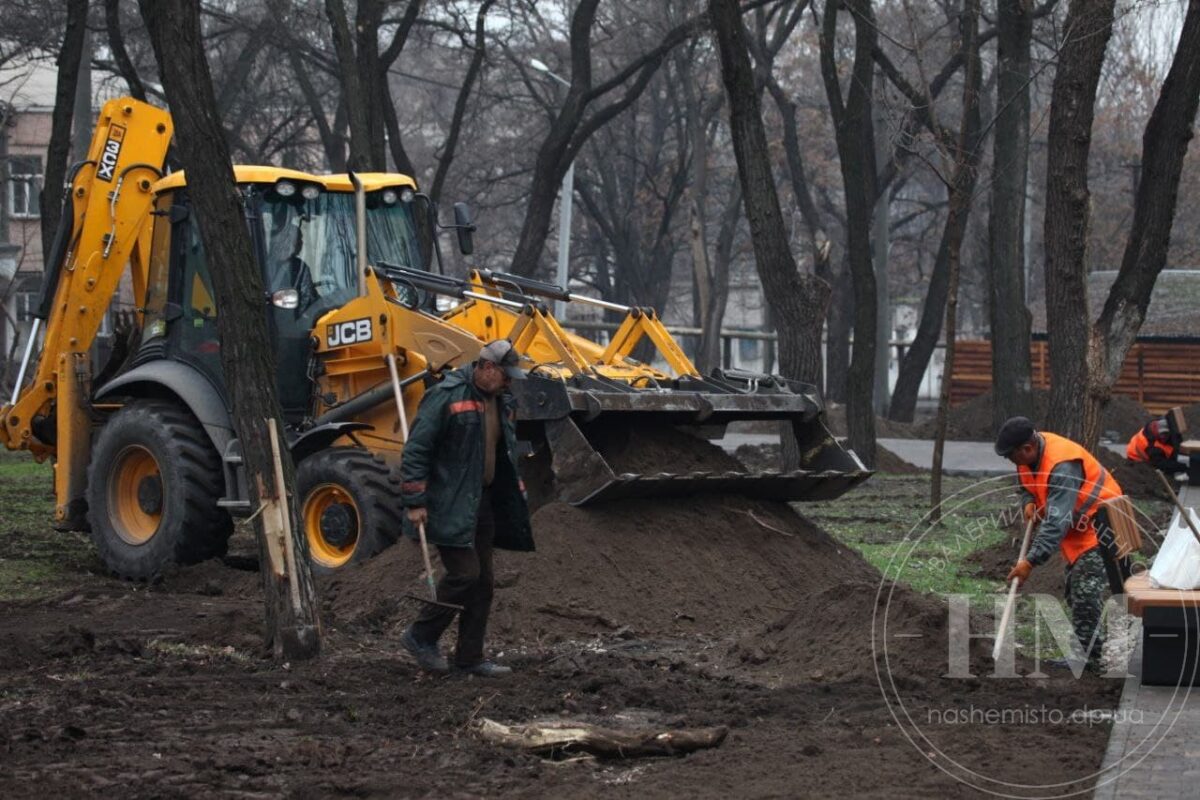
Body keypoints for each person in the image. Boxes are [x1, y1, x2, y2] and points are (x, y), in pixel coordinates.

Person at [399, 339, 534, 676]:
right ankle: (420, 636)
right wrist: (415, 500)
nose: (509, 382)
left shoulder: (501, 402)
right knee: (465, 573)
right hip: (449, 503)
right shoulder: (447, 396)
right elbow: (417, 449)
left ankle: (469, 658)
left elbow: (504, 452)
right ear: (486, 367)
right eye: (505, 375)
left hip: (482, 501)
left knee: (484, 582)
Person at [994, 417, 1131, 672]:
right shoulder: (1029, 456)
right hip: (1079, 531)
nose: (1012, 463)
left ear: (1027, 448)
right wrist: (1027, 501)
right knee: (1075, 592)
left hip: (1103, 527)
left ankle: (1089, 659)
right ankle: (1087, 652)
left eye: (1012, 457)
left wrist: (1030, 561)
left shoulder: (1062, 466)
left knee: (1084, 592)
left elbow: (1056, 522)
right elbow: (1025, 485)